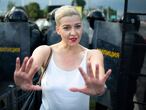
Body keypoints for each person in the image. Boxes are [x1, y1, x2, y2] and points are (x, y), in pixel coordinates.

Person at [14, 5, 111, 110]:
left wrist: (100, 89)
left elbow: (100, 78)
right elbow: (32, 67)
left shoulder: (93, 55)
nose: (73, 33)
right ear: (58, 29)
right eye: (66, 27)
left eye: (77, 26)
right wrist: (22, 80)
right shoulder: (46, 51)